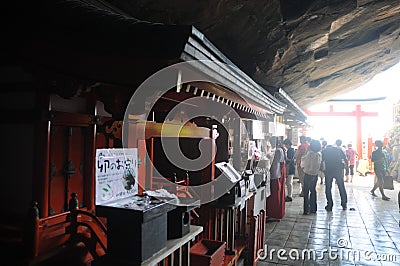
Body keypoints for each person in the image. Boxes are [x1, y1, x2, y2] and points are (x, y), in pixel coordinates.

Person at [322, 141, 348, 211]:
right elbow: (345, 159)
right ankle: (344, 204)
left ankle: (329, 205)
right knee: (341, 187)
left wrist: (322, 170)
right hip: (338, 170)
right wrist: (346, 169)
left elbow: (321, 161)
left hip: (329, 170)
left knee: (328, 188)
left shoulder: (324, 151)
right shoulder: (339, 150)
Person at [266, 137, 286, 219]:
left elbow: (275, 161)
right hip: (275, 173)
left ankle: (275, 213)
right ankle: (273, 212)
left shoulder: (278, 151)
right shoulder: (278, 150)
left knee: (275, 195)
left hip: (275, 174)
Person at [300, 139, 322, 214]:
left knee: (306, 192)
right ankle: (313, 208)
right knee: (313, 190)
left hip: (308, 174)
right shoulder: (319, 154)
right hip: (315, 174)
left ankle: (306, 209)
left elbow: (305, 163)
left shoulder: (310, 153)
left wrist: (304, 169)